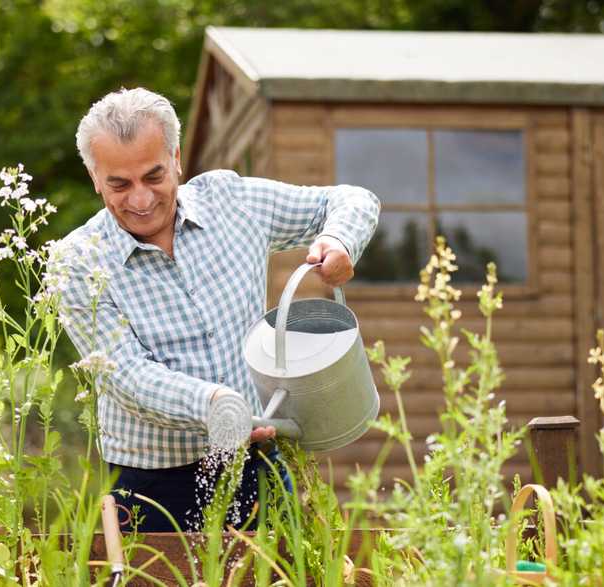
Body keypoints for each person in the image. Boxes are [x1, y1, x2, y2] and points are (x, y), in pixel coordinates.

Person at [57, 87, 379, 532]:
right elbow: (125, 376)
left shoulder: (233, 204)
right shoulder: (77, 261)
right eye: (119, 184)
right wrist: (216, 404)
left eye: (154, 176)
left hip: (256, 467)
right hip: (152, 487)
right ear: (95, 178)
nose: (140, 199)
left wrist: (340, 240)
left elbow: (351, 200)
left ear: (176, 158)